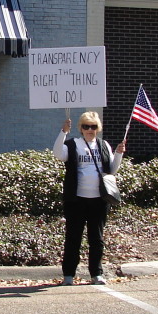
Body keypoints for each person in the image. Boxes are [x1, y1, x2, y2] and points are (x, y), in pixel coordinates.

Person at [53, 111, 126, 285]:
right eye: (86, 126)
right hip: (76, 199)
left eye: (93, 127)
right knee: (73, 238)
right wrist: (63, 132)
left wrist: (118, 153)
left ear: (97, 128)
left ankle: (96, 274)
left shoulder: (103, 145)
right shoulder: (73, 144)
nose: (89, 130)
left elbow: (112, 170)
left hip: (99, 200)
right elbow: (57, 153)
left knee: (96, 238)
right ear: (81, 128)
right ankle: (69, 275)